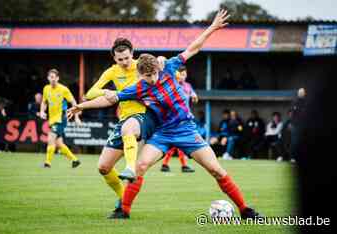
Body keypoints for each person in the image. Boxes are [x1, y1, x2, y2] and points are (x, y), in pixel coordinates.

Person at [68, 9, 260, 220]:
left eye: (153, 75)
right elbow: (111, 98)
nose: (152, 79)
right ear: (140, 74)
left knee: (216, 170)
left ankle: (245, 209)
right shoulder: (139, 87)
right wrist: (82, 106)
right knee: (139, 166)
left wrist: (212, 28)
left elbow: (193, 48)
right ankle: (124, 211)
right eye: (147, 76)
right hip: (162, 133)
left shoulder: (168, 66)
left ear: (158, 68)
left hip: (186, 129)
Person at [84, 38, 159, 216]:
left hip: (143, 117)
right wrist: (107, 92)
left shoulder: (142, 66)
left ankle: (128, 182)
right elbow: (90, 93)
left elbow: (163, 71)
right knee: (103, 167)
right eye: (120, 59)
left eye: (126, 58)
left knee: (133, 151)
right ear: (115, 59)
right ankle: (123, 197)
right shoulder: (112, 72)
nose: (124, 62)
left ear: (132, 54)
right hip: (124, 118)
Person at [40, 69, 81, 168]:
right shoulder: (46, 89)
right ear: (48, 78)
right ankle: (74, 160)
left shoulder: (63, 89)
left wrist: (76, 117)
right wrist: (42, 111)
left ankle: (47, 163)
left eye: (54, 77)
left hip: (61, 118)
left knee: (51, 139)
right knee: (59, 143)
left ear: (58, 78)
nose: (52, 79)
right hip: (52, 119)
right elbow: (44, 102)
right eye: (51, 77)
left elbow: (73, 102)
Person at [160, 65, 197, 173]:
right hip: (174, 117)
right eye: (181, 74)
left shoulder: (188, 86)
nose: (183, 77)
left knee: (177, 141)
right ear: (177, 75)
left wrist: (194, 96)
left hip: (185, 117)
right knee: (179, 140)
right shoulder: (173, 85)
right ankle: (182, 165)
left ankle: (166, 164)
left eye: (185, 74)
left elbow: (193, 94)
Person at [290, 88, 307, 162]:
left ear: (304, 94)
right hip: (296, 126)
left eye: (302, 93)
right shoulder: (295, 102)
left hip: (304, 126)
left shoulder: (307, 102)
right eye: (300, 93)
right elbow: (293, 115)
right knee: (294, 142)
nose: (301, 94)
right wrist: (292, 123)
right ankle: (293, 157)